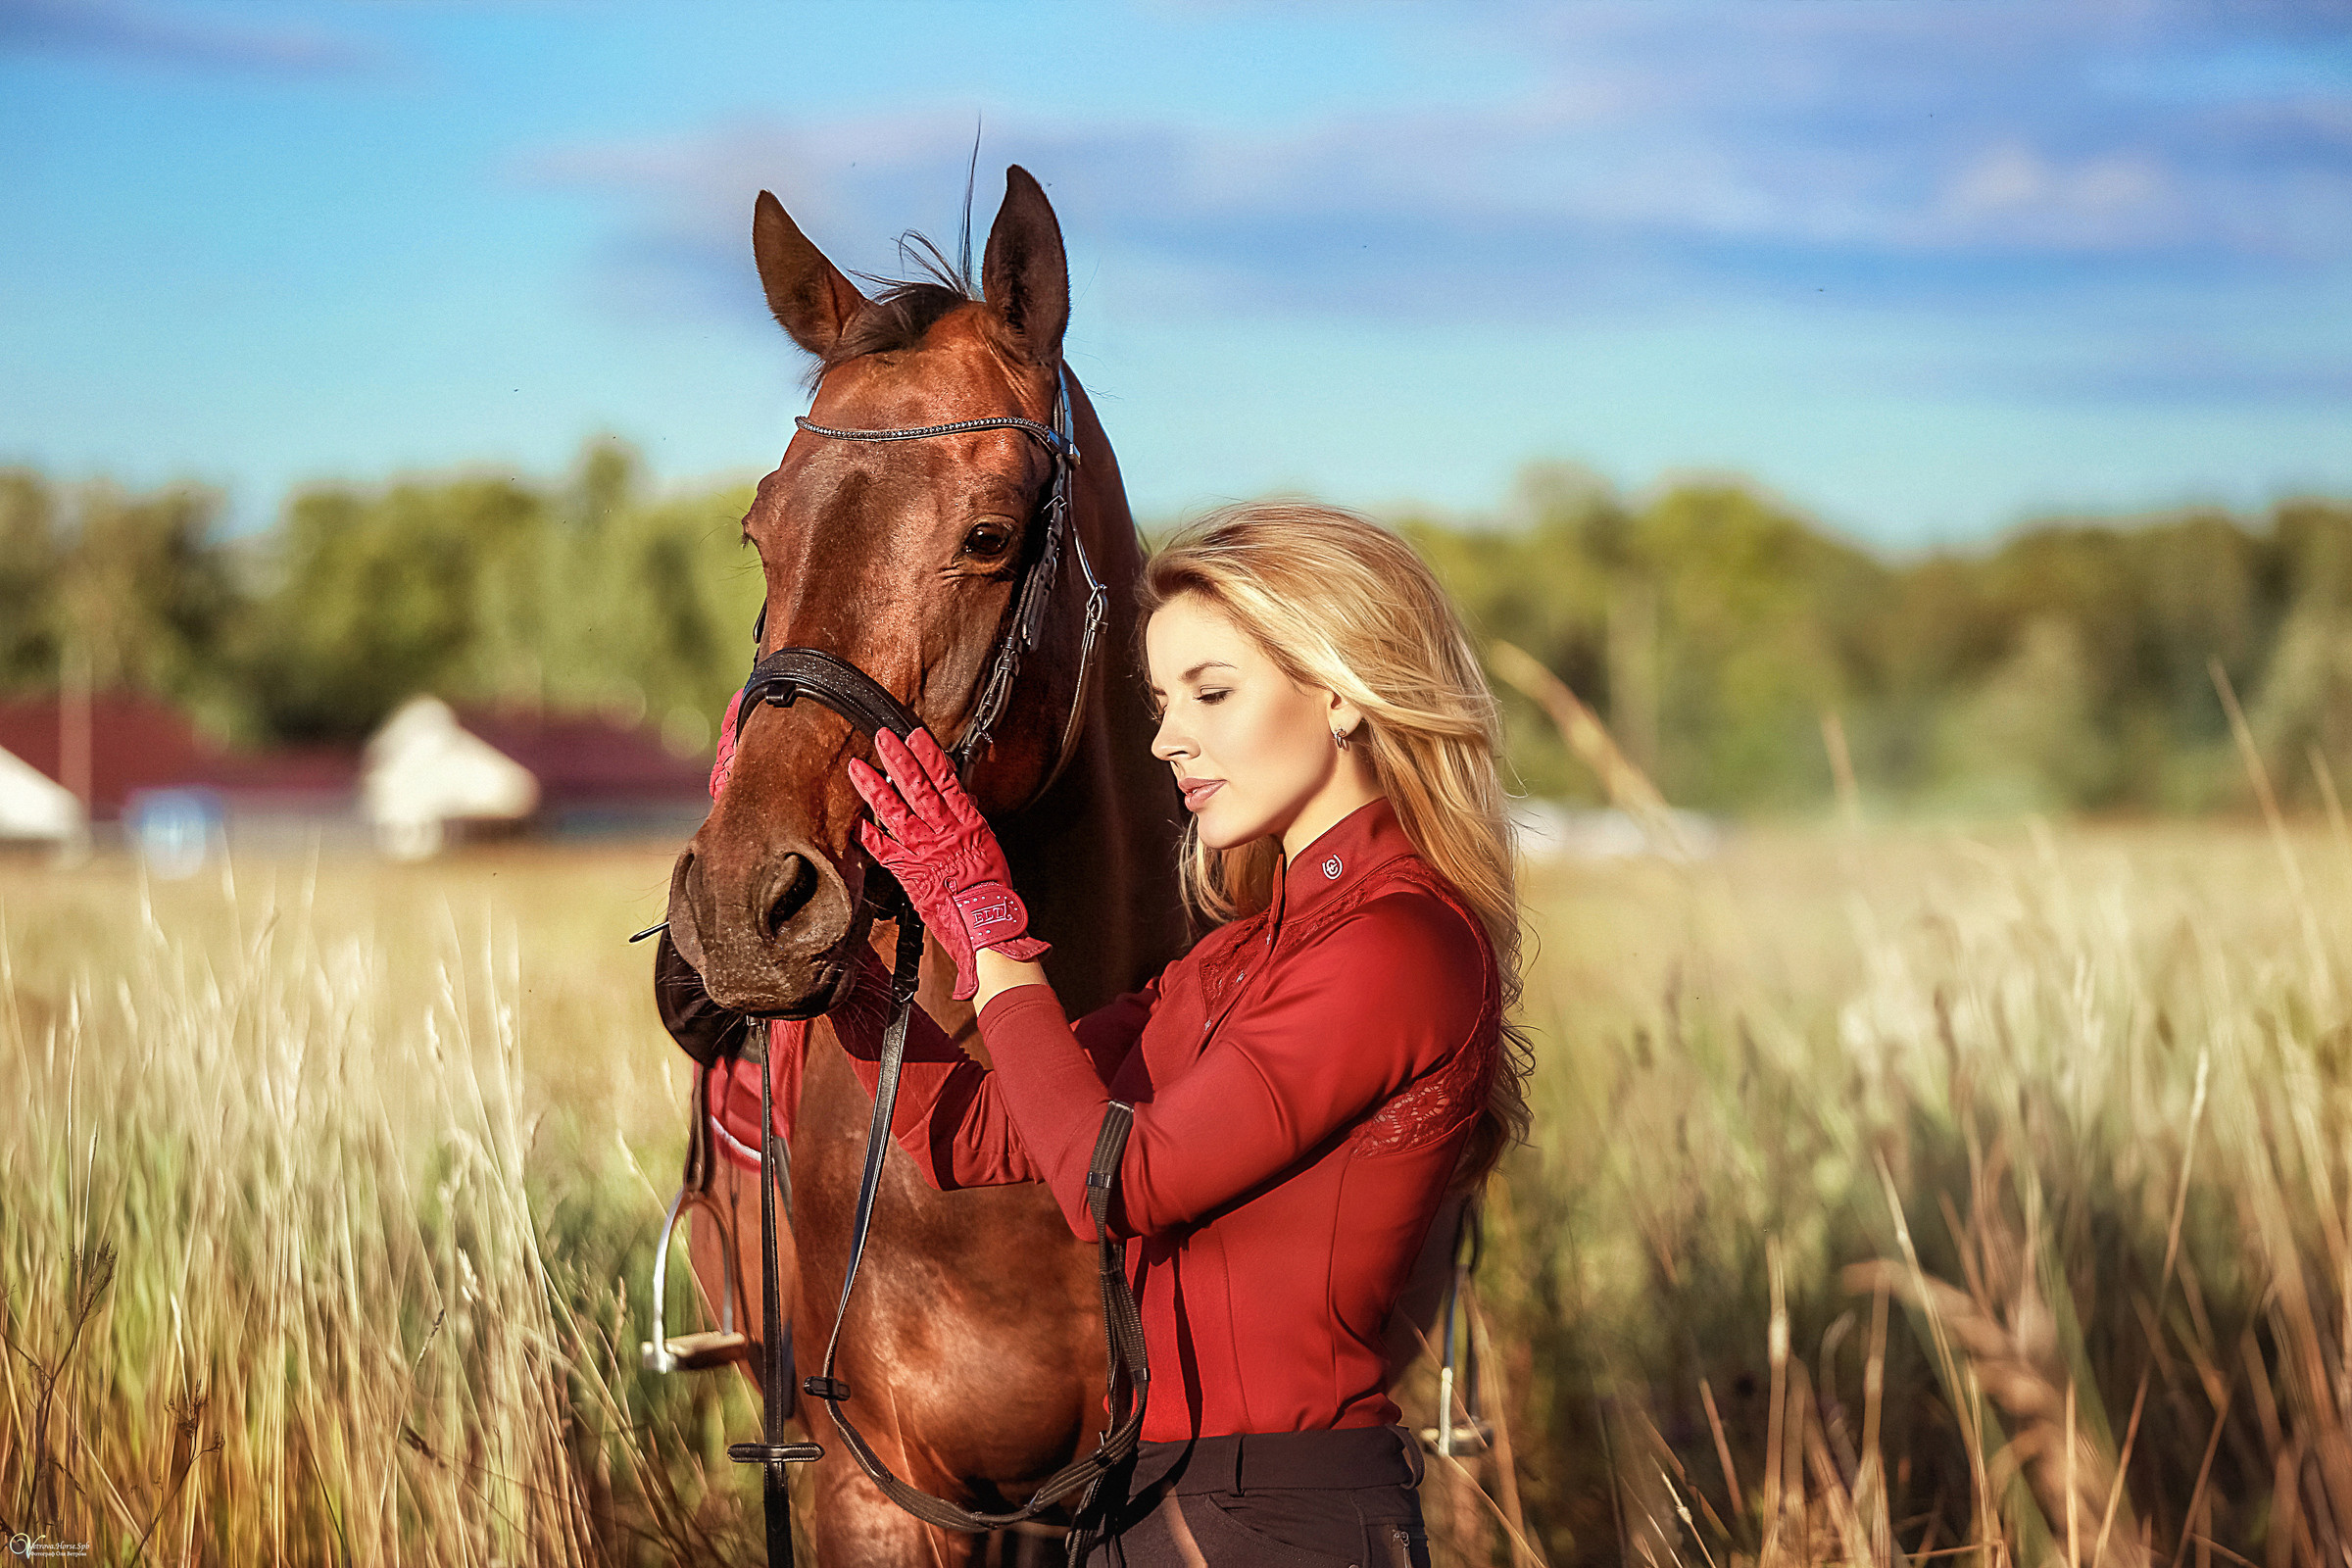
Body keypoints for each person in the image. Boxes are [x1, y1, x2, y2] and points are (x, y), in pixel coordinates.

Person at [679, 502, 1533, 1566]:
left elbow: (1114, 1184)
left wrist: (991, 924)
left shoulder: (1402, 944)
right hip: (1151, 1507)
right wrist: (848, 972)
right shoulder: (1240, 949)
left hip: (1283, 1516)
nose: (1170, 738)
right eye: (1163, 701)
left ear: (1342, 692)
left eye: (1213, 693)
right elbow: (982, 1138)